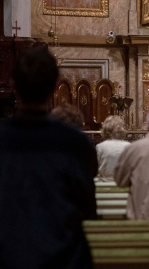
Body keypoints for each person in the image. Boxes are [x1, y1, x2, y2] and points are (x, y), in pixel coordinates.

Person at [0, 46, 97, 268]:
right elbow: (88, 208)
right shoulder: (75, 142)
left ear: (13, 84)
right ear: (55, 86)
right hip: (64, 257)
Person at [96, 115, 130, 181]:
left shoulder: (100, 147)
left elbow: (96, 167)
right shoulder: (128, 146)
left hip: (105, 183)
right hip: (123, 183)